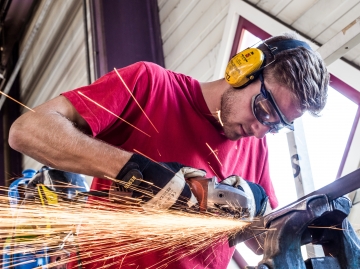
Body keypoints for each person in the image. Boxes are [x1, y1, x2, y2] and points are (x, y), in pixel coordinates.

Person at [8, 32, 329, 268]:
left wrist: (305, 221)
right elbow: (28, 131)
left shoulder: (255, 150)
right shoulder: (152, 86)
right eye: (263, 108)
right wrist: (139, 171)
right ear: (243, 69)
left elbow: (266, 239)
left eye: (277, 125)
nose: (261, 129)